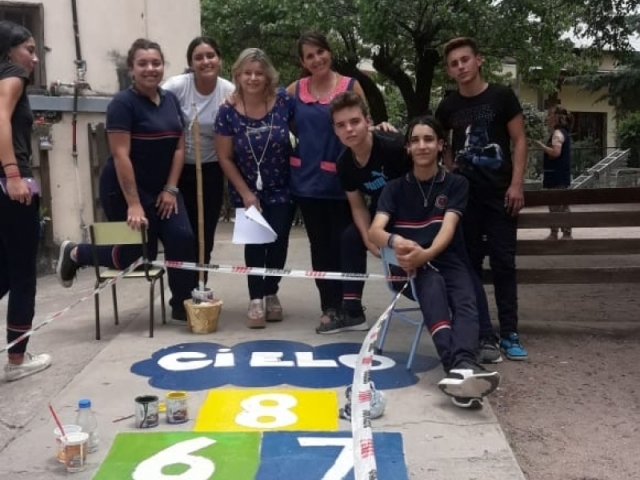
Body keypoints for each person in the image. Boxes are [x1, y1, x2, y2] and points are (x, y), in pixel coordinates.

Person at [56, 38, 197, 321]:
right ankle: (77, 253)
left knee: (182, 238)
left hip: (163, 188)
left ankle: (183, 305)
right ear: (131, 69)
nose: (150, 69)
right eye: (142, 63)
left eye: (156, 63)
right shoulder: (122, 104)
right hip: (125, 189)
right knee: (136, 255)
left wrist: (171, 188)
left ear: (163, 66)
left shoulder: (170, 101)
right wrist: (134, 205)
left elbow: (180, 147)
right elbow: (121, 156)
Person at [368, 115, 500, 409]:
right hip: (409, 265)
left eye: (428, 139)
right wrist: (397, 242)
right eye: (415, 140)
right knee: (432, 284)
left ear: (441, 145)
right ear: (407, 148)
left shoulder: (456, 184)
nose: (422, 146)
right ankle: (460, 367)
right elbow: (374, 231)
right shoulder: (394, 188)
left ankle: (459, 368)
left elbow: (448, 229)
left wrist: (426, 254)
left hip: (446, 258)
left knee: (466, 296)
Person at [435, 37, 528, 362]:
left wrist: (516, 184)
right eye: (454, 63)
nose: (460, 66)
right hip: (465, 199)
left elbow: (519, 140)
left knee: (503, 263)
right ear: (449, 70)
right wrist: (449, 170)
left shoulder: (502, 96)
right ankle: (477, 329)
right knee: (469, 266)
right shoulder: (448, 106)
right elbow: (440, 141)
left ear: (478, 60)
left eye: (465, 60)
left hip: (501, 195)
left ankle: (510, 332)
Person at [286, 32, 367, 332]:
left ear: (329, 52)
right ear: (302, 62)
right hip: (307, 182)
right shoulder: (294, 90)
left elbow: (363, 123)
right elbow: (278, 118)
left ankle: (353, 307)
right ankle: (330, 308)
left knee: (349, 242)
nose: (317, 59)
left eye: (320, 52)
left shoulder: (350, 85)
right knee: (320, 247)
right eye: (309, 56)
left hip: (345, 181)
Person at [215, 48, 295, 329]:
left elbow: (311, 120)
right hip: (246, 188)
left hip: (282, 185)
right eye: (247, 72)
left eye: (259, 73)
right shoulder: (227, 111)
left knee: (278, 241)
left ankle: (272, 290)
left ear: (268, 76)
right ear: (237, 74)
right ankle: (256, 298)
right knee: (255, 243)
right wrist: (247, 194)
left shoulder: (283, 100)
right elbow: (224, 156)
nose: (253, 77)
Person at [322, 91, 410, 334]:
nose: (349, 129)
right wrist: (369, 237)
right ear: (335, 130)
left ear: (367, 121)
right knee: (350, 237)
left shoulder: (393, 145)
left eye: (355, 121)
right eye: (341, 125)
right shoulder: (344, 163)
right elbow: (358, 205)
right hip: (381, 214)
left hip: (412, 213)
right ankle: (352, 312)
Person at [0, 21, 52, 381]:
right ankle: (17, 359)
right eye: (29, 50)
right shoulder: (13, 74)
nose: (33, 58)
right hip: (10, 184)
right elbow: (0, 118)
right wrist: (14, 174)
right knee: (22, 274)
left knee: (4, 269)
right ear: (9, 51)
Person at [162, 36, 235, 275]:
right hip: (179, 170)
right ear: (191, 63)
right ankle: (182, 288)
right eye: (199, 57)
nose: (206, 61)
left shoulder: (229, 91)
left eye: (210, 56)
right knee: (183, 233)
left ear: (219, 60)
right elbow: (156, 109)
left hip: (212, 169)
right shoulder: (176, 86)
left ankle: (200, 284)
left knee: (205, 234)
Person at [535, 105, 573, 240]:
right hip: (558, 173)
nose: (547, 118)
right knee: (558, 204)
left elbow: (556, 152)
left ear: (556, 118)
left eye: (550, 115)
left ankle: (561, 232)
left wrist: (542, 146)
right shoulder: (563, 132)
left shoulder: (558, 133)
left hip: (556, 174)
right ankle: (558, 232)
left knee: (558, 204)